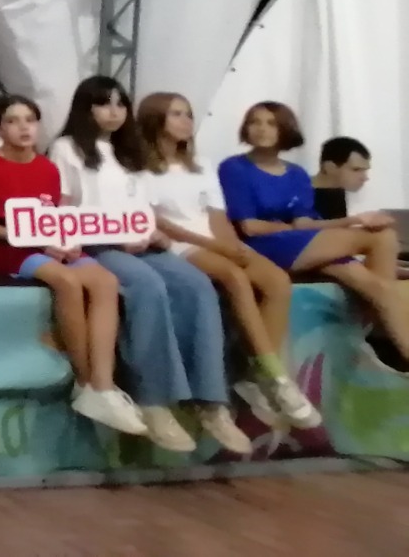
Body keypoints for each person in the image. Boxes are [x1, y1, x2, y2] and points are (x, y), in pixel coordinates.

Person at [49, 76, 248, 454]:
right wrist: (108, 235)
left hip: (139, 241)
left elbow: (142, 207)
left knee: (196, 284)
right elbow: (62, 206)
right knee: (146, 285)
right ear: (85, 108)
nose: (114, 112)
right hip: (94, 245)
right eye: (103, 103)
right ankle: (154, 399)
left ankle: (211, 401)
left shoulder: (129, 151)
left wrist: (150, 232)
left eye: (120, 104)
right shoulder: (66, 148)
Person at [0, 93, 146, 437]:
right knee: (66, 281)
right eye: (12, 121)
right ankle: (86, 382)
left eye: (30, 120)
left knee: (104, 281)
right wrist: (35, 240)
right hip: (2, 247)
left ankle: (104, 385)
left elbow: (54, 216)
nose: (23, 127)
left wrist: (66, 241)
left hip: (44, 243)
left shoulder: (46, 168)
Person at [135, 92, 319, 429]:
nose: (186, 121)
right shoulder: (137, 168)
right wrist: (216, 247)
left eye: (188, 114)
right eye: (176, 114)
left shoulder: (202, 165)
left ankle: (257, 374)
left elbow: (216, 215)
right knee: (234, 277)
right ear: (155, 119)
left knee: (277, 281)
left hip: (213, 239)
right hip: (179, 244)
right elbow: (158, 221)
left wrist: (231, 245)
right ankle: (276, 375)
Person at [219, 102, 409, 375]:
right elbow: (249, 227)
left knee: (380, 285)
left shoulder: (296, 173)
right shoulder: (234, 168)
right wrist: (291, 228)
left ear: (285, 129)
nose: (261, 129)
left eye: (271, 123)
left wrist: (356, 220)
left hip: (301, 243)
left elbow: (306, 223)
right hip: (263, 247)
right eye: (254, 122)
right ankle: (374, 329)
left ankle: (381, 343)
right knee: (382, 238)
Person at [310, 136, 373, 222]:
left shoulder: (336, 194)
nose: (365, 178)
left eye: (364, 170)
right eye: (356, 170)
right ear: (330, 167)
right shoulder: (297, 193)